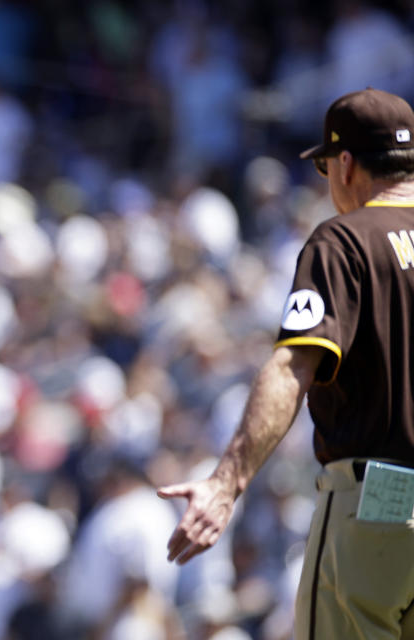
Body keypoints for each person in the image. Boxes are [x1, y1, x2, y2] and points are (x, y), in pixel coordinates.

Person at [159, 87, 414, 639]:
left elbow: (290, 368)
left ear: (346, 164)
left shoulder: (343, 242)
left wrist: (226, 483)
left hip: (381, 505)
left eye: (326, 165)